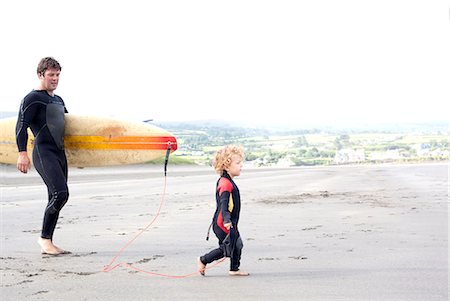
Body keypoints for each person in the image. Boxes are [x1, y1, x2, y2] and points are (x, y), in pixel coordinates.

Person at [16, 57, 70, 255]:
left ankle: (48, 241)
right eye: (51, 75)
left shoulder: (58, 100)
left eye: (57, 75)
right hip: (43, 151)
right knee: (60, 194)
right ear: (40, 75)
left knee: (57, 197)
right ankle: (44, 240)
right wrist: (22, 154)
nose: (55, 78)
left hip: (59, 153)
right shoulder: (32, 98)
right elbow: (21, 127)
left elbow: (67, 128)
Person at [197, 145, 250, 276]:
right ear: (226, 166)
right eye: (238, 163)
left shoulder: (228, 181)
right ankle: (203, 260)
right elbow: (224, 203)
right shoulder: (225, 183)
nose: (241, 165)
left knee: (236, 244)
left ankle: (234, 269)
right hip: (223, 223)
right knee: (229, 246)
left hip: (229, 222)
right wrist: (227, 219)